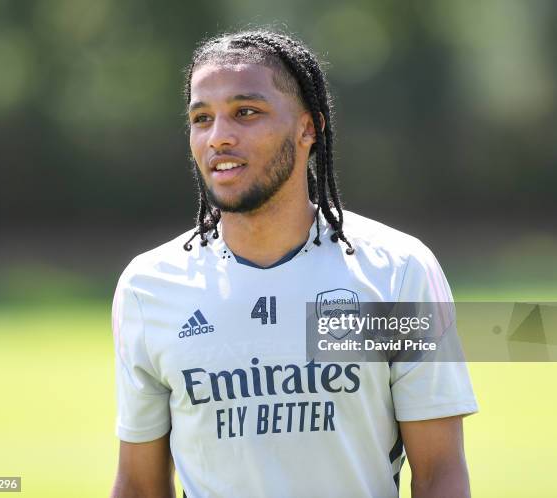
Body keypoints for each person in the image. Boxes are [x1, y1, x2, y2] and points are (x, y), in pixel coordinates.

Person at [110, 29, 478, 498]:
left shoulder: (396, 272)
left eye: (246, 112)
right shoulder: (149, 287)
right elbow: (139, 485)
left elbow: (440, 472)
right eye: (202, 118)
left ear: (309, 128)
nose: (219, 136)